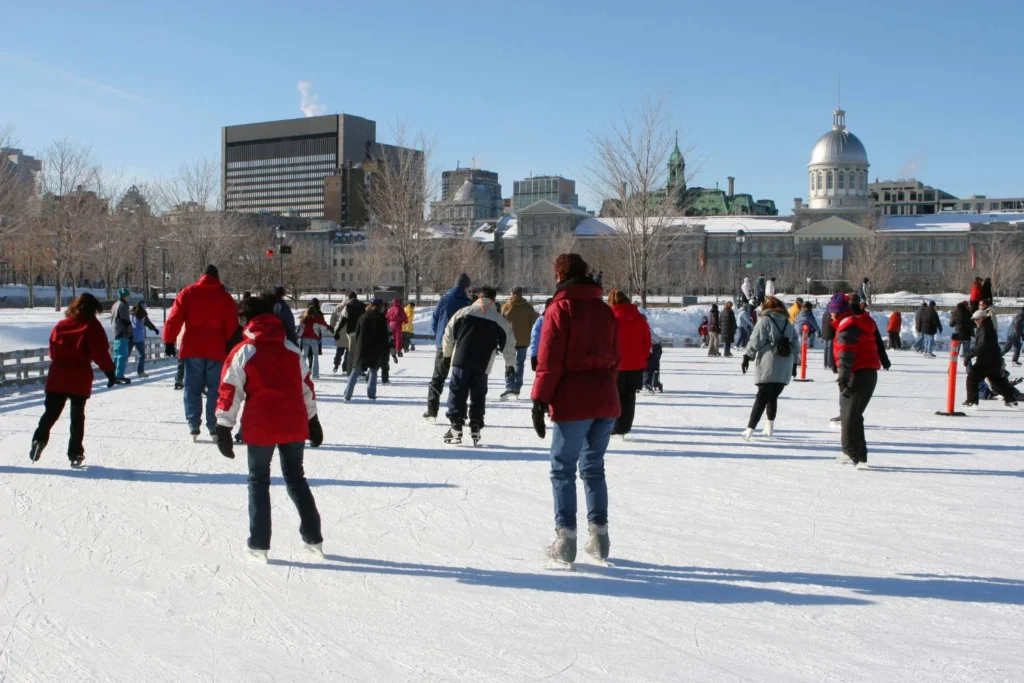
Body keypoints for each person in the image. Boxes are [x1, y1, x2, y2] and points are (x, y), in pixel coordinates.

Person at [214, 291, 324, 562]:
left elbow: (230, 390)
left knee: (259, 481)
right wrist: (313, 419)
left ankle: (259, 542)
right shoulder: (291, 349)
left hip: (261, 425)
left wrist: (223, 426)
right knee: (296, 479)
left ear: (247, 320)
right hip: (292, 423)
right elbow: (305, 388)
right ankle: (313, 537)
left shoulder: (244, 351)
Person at [532, 254, 619, 566]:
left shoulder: (560, 308)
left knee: (563, 469)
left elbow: (549, 359)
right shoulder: (605, 310)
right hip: (606, 399)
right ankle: (600, 538)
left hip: (574, 400)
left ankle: (565, 539)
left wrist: (539, 399)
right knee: (593, 468)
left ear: (559, 275)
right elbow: (615, 355)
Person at [30, 293, 129, 467]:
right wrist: (110, 373)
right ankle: (75, 453)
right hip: (79, 375)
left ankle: (39, 440)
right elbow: (100, 352)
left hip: (58, 374)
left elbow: (52, 351)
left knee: (50, 413)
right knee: (77, 417)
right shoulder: (92, 326)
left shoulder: (61, 325)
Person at [162, 265, 240, 440]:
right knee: (215, 390)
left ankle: (193, 425)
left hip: (193, 348)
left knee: (192, 388)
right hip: (217, 349)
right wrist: (230, 345)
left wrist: (169, 340)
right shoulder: (224, 297)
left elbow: (174, 318)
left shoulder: (188, 293)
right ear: (217, 277)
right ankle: (213, 426)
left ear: (202, 276)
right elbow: (232, 326)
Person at [440, 286, 516, 445]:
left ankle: (456, 425)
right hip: (484, 363)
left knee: (457, 391)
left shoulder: (463, 313)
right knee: (478, 395)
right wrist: (510, 365)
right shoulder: (499, 319)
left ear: (478, 297)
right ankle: (475, 424)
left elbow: (448, 334)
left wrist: (446, 356)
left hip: (461, 360)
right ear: (494, 300)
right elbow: (509, 343)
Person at [834, 296, 890, 467]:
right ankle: (851, 452)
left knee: (850, 415)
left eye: (834, 313)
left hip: (857, 374)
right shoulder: (863, 322)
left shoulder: (850, 327)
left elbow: (846, 354)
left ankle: (854, 454)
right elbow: (878, 341)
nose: (832, 316)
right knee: (849, 414)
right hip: (866, 372)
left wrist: (843, 378)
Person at [740, 296, 799, 440]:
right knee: (772, 396)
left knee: (762, 397)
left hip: (768, 363)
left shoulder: (765, 321)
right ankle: (769, 427)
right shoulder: (788, 323)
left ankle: (750, 429)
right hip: (785, 363)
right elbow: (796, 345)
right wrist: (795, 364)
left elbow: (755, 340)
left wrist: (747, 356)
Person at [424, 274, 472, 423]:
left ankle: (432, 411)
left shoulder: (444, 299)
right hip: (461, 346)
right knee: (460, 380)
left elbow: (434, 320)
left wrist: (439, 336)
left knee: (438, 378)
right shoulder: (467, 302)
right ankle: (461, 412)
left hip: (443, 345)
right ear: (466, 287)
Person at [608, 291, 652, 438]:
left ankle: (615, 425)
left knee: (615, 396)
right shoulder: (639, 318)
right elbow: (647, 341)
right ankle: (625, 426)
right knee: (630, 396)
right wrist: (642, 358)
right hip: (636, 365)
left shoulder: (611, 319)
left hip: (616, 365)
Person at [962, 309, 1018, 408]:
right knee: (997, 382)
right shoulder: (986, 326)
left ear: (982, 318)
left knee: (972, 378)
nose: (975, 321)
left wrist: (968, 355)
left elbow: (981, 346)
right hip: (993, 359)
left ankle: (971, 401)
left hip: (986, 360)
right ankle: (1011, 400)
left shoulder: (985, 329)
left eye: (976, 319)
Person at [344, 298, 390, 402]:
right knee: (373, 371)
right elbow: (384, 337)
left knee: (355, 371)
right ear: (379, 307)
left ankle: (347, 395)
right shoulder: (381, 319)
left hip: (362, 348)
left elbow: (358, 333)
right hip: (376, 349)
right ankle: (371, 395)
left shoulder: (362, 317)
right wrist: (385, 351)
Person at [500, 286, 539, 400]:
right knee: (520, 363)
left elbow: (501, 323)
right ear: (522, 294)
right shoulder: (528, 307)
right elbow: (534, 324)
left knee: (509, 363)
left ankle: (509, 386)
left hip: (509, 340)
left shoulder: (507, 306)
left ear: (512, 293)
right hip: (524, 340)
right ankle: (517, 387)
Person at [297, 302, 329, 379]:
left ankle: (301, 372)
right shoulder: (317, 319)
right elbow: (324, 328)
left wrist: (298, 336)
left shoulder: (304, 319)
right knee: (315, 356)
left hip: (305, 339)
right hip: (314, 339)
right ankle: (315, 374)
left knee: (304, 356)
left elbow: (300, 330)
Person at [129, 302, 160, 378]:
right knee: (142, 355)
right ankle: (140, 371)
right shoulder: (142, 314)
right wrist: (154, 329)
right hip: (139, 337)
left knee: (125, 355)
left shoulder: (130, 313)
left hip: (130, 336)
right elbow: (147, 323)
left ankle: (118, 372)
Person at [110, 286, 133, 381]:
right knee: (123, 355)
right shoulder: (124, 305)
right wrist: (130, 332)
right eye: (128, 295)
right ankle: (119, 375)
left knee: (116, 355)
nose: (129, 297)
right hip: (122, 332)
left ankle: (113, 374)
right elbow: (125, 320)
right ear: (125, 296)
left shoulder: (115, 304)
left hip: (116, 331)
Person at [528, 298, 553, 372]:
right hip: (548, 355)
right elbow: (535, 337)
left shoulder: (541, 320)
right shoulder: (541, 320)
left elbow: (535, 338)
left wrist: (534, 355)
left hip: (543, 354)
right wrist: (534, 355)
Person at [951, 301, 974, 369]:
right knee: (967, 354)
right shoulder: (968, 313)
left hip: (957, 336)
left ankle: (951, 369)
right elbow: (973, 324)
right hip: (967, 336)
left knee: (954, 354)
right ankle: (969, 369)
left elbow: (951, 324)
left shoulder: (955, 313)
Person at [329, 301, 349, 374]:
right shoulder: (351, 308)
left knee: (339, 350)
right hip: (349, 332)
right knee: (348, 351)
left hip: (339, 332)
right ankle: (345, 367)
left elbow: (332, 321)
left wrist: (333, 330)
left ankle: (336, 365)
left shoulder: (337, 308)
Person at [643, 328, 664, 394]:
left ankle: (643, 382)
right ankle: (649, 382)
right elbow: (656, 339)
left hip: (641, 352)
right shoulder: (645, 327)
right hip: (650, 352)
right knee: (652, 367)